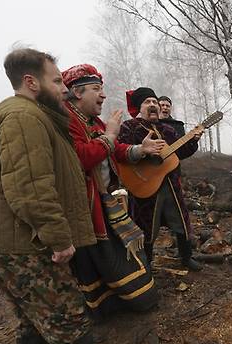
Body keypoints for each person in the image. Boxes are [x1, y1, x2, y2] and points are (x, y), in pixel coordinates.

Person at [0, 48, 132, 344]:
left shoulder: (28, 114)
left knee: (28, 311)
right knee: (64, 307)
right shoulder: (23, 118)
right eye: (56, 80)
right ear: (31, 81)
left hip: (6, 238)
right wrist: (58, 238)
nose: (64, 89)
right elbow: (31, 188)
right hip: (24, 240)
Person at [61, 64, 159, 317]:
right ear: (77, 92)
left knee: (113, 254)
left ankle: (127, 299)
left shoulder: (93, 121)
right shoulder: (66, 121)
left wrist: (141, 150)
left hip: (105, 201)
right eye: (97, 89)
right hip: (86, 207)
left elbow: (114, 150)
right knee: (99, 258)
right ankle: (108, 306)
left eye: (102, 89)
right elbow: (82, 158)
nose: (103, 95)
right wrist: (112, 134)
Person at [118, 87, 204, 271]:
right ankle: (145, 263)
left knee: (181, 221)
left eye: (154, 102)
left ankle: (186, 257)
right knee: (146, 227)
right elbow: (120, 153)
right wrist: (142, 150)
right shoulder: (129, 127)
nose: (153, 105)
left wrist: (193, 140)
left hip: (171, 185)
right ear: (139, 108)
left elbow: (180, 153)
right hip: (144, 185)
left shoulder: (167, 129)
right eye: (147, 102)